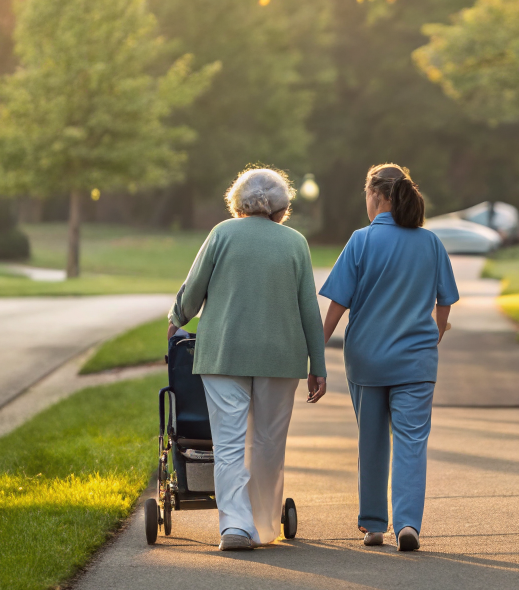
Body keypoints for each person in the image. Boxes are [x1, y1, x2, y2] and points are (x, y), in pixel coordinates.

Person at [168, 167, 326, 551]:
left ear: (238, 201)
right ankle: (263, 525)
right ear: (281, 206)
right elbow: (309, 309)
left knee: (228, 443)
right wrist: (317, 365)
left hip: (224, 352)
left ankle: (234, 528)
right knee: (269, 443)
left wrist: (177, 319)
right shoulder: (295, 243)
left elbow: (194, 290)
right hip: (280, 356)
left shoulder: (221, 233)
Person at [317, 163, 459, 552]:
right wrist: (434, 336)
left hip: (367, 359)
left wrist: (315, 353)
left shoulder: (361, 241)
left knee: (372, 440)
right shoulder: (429, 242)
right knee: (412, 441)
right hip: (415, 361)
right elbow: (444, 303)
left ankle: (374, 525)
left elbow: (337, 306)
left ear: (375, 195)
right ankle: (408, 523)